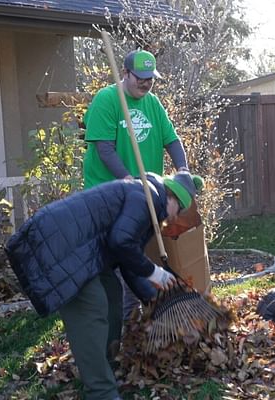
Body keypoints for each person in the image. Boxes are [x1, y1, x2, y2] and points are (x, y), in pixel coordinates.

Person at [5, 172, 203, 400]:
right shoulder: (145, 197)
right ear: (173, 199)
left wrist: (161, 304)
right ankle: (102, 391)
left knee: (111, 295)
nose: (174, 219)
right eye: (178, 212)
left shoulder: (148, 200)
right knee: (92, 307)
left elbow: (128, 264)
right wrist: (154, 272)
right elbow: (121, 242)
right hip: (60, 246)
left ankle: (104, 366)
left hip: (84, 251)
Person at [82, 49, 192, 317]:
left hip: (144, 196)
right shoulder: (107, 100)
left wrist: (183, 169)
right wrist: (127, 179)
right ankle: (124, 320)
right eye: (139, 77)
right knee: (120, 256)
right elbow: (104, 148)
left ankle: (142, 315)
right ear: (125, 73)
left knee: (136, 253)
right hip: (109, 194)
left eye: (150, 79)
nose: (145, 83)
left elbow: (172, 140)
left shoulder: (152, 103)